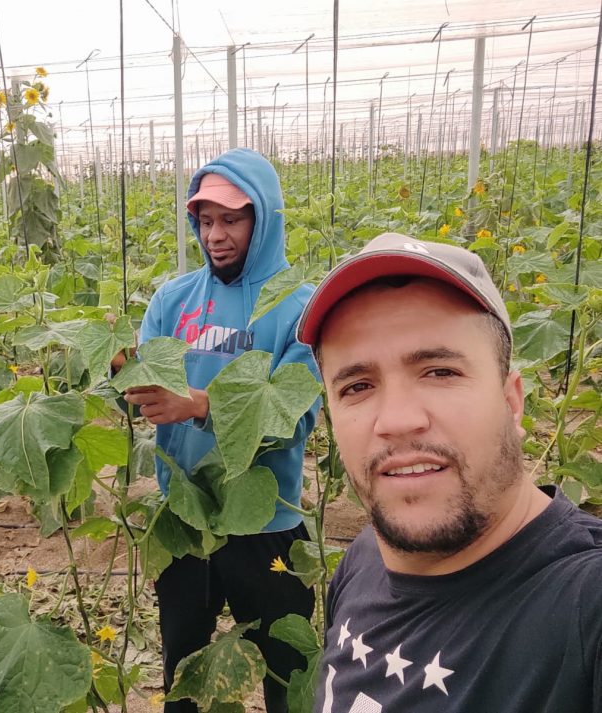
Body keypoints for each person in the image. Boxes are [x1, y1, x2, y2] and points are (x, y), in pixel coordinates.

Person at [295, 232, 602, 712]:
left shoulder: (583, 606)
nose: (396, 420)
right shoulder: (365, 557)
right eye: (357, 385)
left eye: (440, 372)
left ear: (511, 401)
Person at [121, 147, 320, 713]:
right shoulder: (173, 299)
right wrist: (128, 379)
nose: (216, 235)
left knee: (286, 674)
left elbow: (295, 416)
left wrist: (200, 405)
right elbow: (147, 381)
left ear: (264, 218)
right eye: (206, 221)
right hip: (183, 514)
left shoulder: (297, 308)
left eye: (231, 219)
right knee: (185, 671)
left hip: (265, 522)